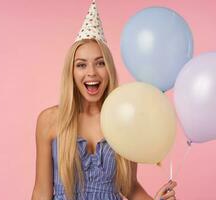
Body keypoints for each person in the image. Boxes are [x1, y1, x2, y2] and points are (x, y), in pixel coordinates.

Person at [31, 1, 177, 200]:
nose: (91, 72)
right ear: (71, 73)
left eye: (100, 63)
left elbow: (130, 187)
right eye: (81, 65)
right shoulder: (49, 121)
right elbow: (41, 192)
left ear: (109, 69)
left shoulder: (125, 119)